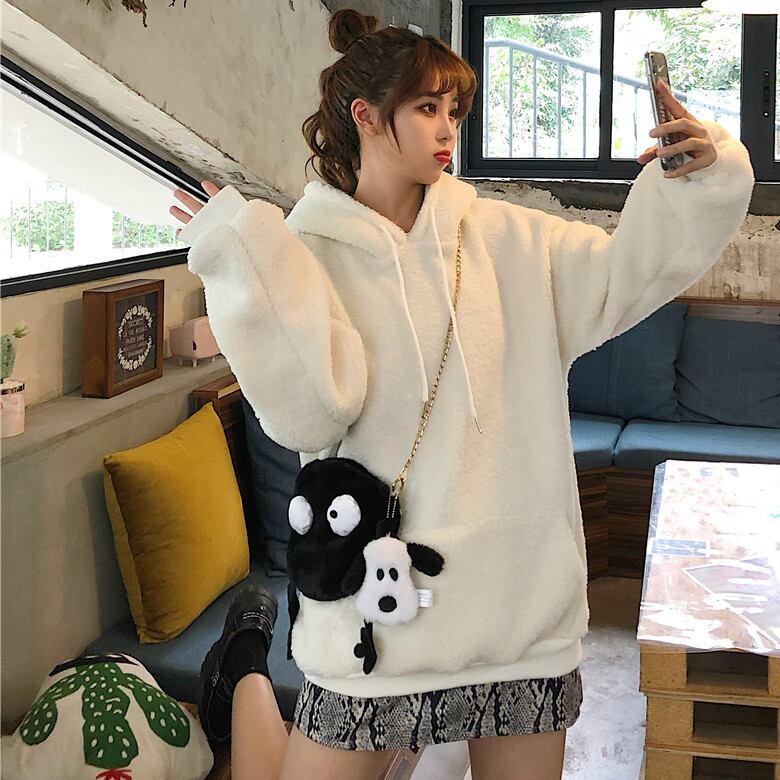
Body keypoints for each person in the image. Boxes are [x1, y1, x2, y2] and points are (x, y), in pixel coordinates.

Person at [169, 9, 755, 779]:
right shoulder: (299, 255)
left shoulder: (511, 238)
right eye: (427, 108)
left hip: (515, 613)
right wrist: (239, 261)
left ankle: (246, 659)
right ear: (365, 116)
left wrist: (698, 179)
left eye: (455, 109)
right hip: (376, 616)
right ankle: (246, 662)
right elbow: (310, 414)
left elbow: (625, 274)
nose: (449, 128)